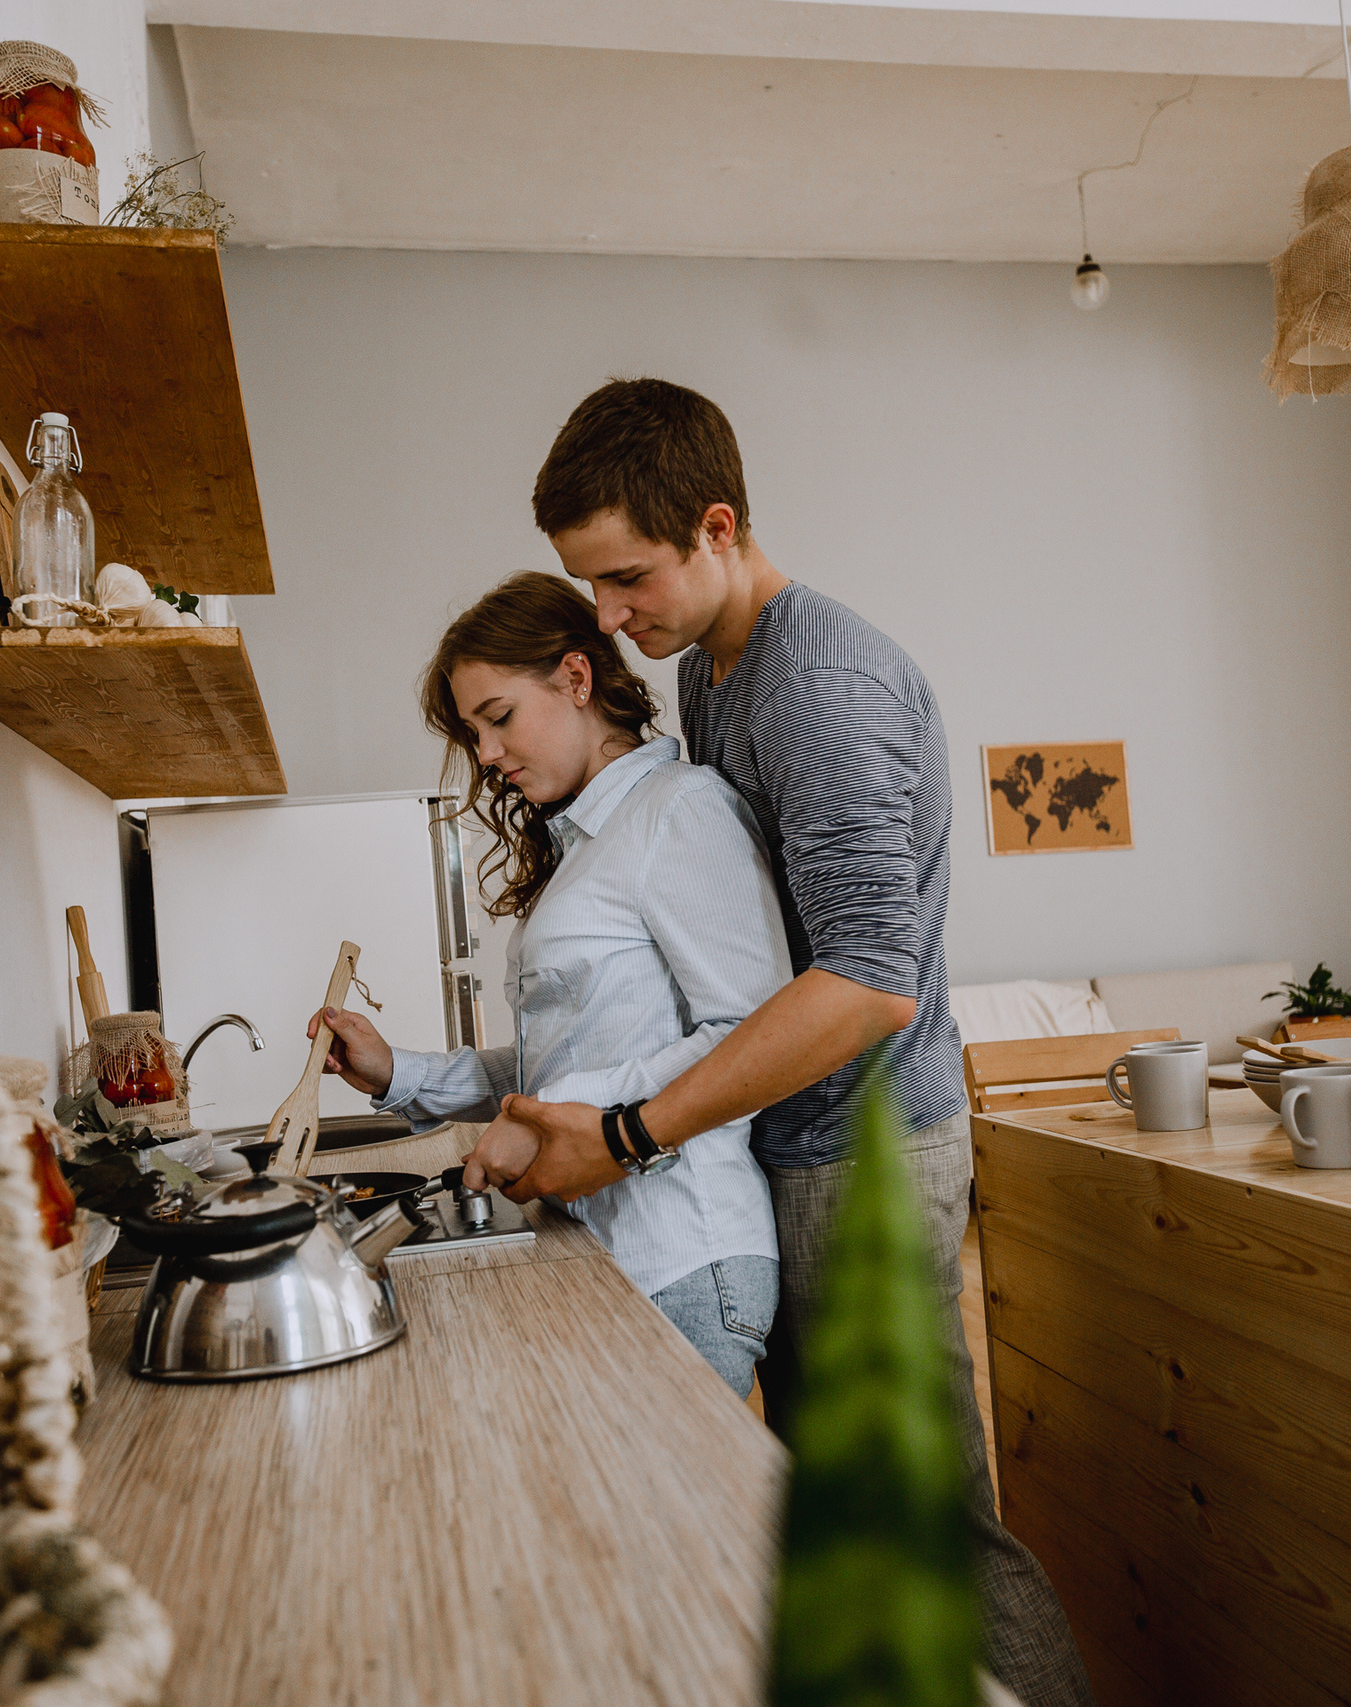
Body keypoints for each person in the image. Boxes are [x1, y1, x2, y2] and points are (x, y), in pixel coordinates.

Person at [471, 378, 1095, 1707]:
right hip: (797, 1142)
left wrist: (634, 1130)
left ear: (716, 526)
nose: (611, 623)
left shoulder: (820, 684)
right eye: (591, 590)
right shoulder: (713, 663)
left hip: (868, 1149)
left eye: (629, 579)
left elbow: (866, 982)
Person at [307, 570, 790, 1398]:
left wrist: (563, 1119)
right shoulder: (587, 847)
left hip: (684, 1257)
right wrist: (401, 1073)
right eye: (474, 733)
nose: (487, 755)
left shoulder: (680, 810)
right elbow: (559, 1069)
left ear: (577, 678)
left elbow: (752, 1035)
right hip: (614, 1252)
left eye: (498, 719)